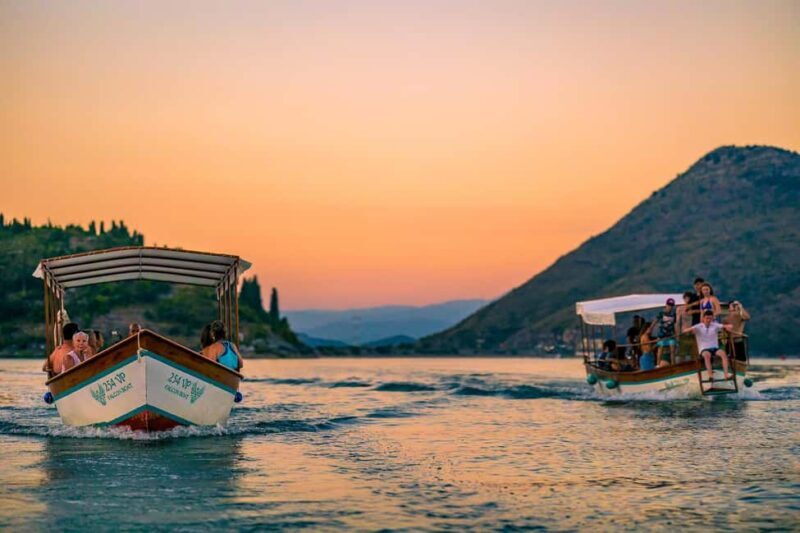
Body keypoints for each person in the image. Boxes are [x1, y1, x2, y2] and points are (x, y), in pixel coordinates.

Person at [684, 310, 734, 380]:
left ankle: (726, 375)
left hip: (714, 347)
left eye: (710, 318)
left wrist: (728, 326)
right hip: (704, 349)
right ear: (703, 318)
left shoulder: (715, 325)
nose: (708, 320)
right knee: (707, 356)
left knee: (723, 354)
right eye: (707, 318)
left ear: (712, 318)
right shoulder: (699, 326)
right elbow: (686, 330)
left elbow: (726, 326)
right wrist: (690, 330)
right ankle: (710, 376)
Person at [647, 298, 677, 367]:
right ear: (666, 305)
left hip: (671, 334)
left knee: (672, 350)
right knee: (660, 349)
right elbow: (655, 321)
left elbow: (675, 324)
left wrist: (676, 333)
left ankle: (673, 365)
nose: (670, 307)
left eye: (671, 306)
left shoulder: (673, 314)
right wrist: (650, 328)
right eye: (669, 305)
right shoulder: (661, 313)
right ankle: (657, 365)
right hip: (662, 334)